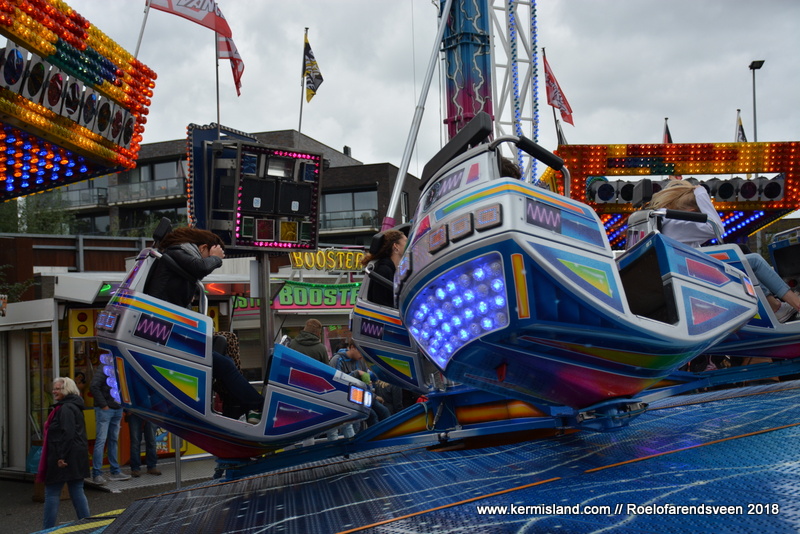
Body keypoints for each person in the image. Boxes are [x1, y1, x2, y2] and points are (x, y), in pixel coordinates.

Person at [143, 226, 264, 424]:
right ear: (203, 247)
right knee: (224, 364)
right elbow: (200, 267)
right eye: (208, 253)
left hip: (170, 329)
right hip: (164, 330)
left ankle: (237, 405)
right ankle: (257, 406)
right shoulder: (177, 252)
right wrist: (215, 258)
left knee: (224, 356)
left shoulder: (177, 259)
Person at [648, 179, 800, 322]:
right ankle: (794, 303)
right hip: (691, 271)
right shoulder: (678, 222)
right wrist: (701, 194)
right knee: (755, 261)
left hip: (686, 268)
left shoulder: (666, 220)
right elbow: (717, 228)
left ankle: (774, 306)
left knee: (742, 255)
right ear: (692, 210)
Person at [37, 377, 90, 529]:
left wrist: (61, 456)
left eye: (58, 389)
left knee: (52, 493)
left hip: (63, 456)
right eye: (54, 388)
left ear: (67, 389)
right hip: (75, 455)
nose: (54, 391)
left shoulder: (65, 408)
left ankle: (47, 530)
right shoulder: (74, 406)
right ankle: (88, 525)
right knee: (77, 491)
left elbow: (67, 433)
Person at [90, 366, 130, 484]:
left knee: (110, 440)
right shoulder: (105, 367)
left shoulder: (115, 366)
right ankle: (98, 473)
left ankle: (113, 471)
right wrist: (104, 405)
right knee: (103, 440)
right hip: (108, 408)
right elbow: (94, 386)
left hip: (114, 408)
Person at [361, 229, 408, 307]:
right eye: (406, 242)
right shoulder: (383, 271)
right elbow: (381, 304)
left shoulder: (393, 269)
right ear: (396, 246)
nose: (409, 245)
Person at [127, 412, 160, 477]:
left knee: (151, 441)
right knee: (135, 442)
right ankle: (135, 468)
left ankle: (152, 467)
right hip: (135, 412)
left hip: (151, 412)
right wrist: (127, 410)